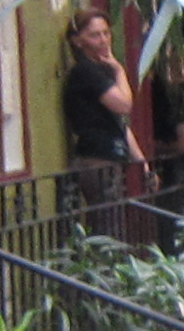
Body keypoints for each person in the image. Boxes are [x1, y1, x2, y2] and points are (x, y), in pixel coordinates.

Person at [62, 12, 146, 231]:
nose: (103, 40)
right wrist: (119, 70)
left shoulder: (100, 71)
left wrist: (140, 161)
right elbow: (124, 105)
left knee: (114, 223)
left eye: (106, 33)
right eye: (94, 35)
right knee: (107, 226)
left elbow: (119, 122)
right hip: (96, 159)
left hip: (111, 157)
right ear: (77, 41)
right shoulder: (85, 71)